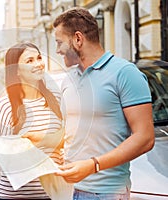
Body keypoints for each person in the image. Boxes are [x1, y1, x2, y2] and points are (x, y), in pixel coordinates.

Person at [51, 7, 155, 199]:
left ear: (78, 39)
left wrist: (93, 165)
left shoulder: (125, 73)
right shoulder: (68, 79)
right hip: (70, 190)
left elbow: (145, 138)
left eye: (59, 43)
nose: (57, 50)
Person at [0, 42, 64, 200]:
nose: (38, 64)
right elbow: (7, 161)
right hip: (14, 195)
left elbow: (65, 141)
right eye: (29, 61)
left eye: (39, 58)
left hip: (52, 194)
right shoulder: (5, 105)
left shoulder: (55, 99)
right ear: (16, 71)